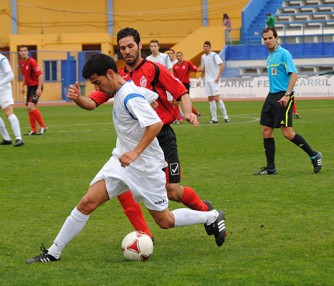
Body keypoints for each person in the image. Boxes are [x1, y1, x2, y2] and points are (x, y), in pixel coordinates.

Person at [26, 54, 226, 263]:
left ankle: (212, 216)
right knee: (87, 202)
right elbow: (149, 95)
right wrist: (78, 98)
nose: (97, 88)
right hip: (120, 162)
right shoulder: (127, 89)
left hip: (145, 167)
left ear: (110, 73)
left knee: (165, 221)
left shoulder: (129, 96)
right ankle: (53, 253)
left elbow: (155, 124)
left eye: (98, 83)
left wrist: (136, 152)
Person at [66, 27, 222, 246]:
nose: (127, 51)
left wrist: (187, 112)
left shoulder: (155, 69)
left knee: (171, 191)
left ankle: (208, 213)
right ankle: (145, 236)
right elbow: (92, 102)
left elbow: (181, 92)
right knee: (121, 185)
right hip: (135, 143)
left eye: (131, 46)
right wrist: (78, 99)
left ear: (140, 46)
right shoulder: (117, 76)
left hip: (161, 138)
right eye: (123, 48)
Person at [254, 27, 322, 175]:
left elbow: (294, 75)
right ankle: (271, 167)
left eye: (270, 38)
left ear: (276, 38)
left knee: (288, 133)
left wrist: (287, 94)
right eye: (265, 39)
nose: (267, 41)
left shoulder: (284, 54)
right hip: (271, 96)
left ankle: (314, 155)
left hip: (283, 96)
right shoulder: (269, 57)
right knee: (266, 130)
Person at [18, 45, 48, 135]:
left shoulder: (32, 61)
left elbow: (40, 75)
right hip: (30, 87)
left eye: (25, 50)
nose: (23, 52)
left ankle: (43, 126)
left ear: (28, 52)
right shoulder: (21, 63)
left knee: (31, 107)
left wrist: (39, 88)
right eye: (21, 51)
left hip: (36, 87)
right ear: (19, 53)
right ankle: (34, 130)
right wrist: (23, 86)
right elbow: (25, 75)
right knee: (29, 108)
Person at [200, 41, 230, 124]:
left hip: (215, 80)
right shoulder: (203, 57)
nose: (205, 48)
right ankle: (214, 118)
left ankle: (226, 117)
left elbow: (222, 65)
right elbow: (203, 69)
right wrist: (200, 78)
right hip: (207, 80)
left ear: (210, 47)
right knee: (210, 98)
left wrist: (218, 77)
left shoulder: (214, 55)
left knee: (217, 98)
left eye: (207, 46)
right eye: (204, 46)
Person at [173, 51, 201, 120]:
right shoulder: (175, 66)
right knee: (177, 102)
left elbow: (195, 69)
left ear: (182, 56)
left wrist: (203, 70)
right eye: (177, 56)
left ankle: (179, 118)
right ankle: (196, 113)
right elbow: (174, 77)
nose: (178, 57)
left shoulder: (187, 63)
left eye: (179, 56)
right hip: (179, 85)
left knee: (183, 102)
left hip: (185, 85)